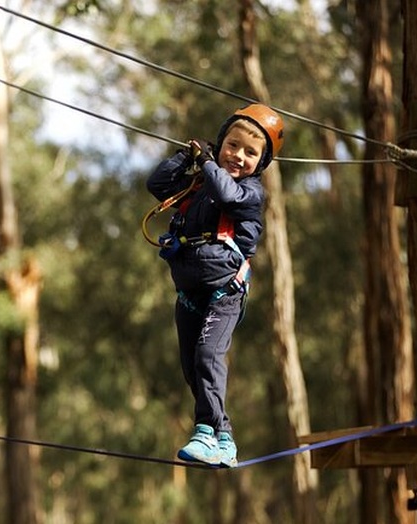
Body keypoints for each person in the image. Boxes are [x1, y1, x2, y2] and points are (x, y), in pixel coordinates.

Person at [146, 104, 284, 467]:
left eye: (250, 152)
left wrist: (209, 163)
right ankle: (224, 438)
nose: (238, 156)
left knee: (208, 357)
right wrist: (185, 156)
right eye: (232, 146)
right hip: (190, 295)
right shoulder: (200, 182)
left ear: (261, 162)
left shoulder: (250, 193)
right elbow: (157, 184)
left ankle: (206, 431)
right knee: (192, 368)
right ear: (221, 143)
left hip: (224, 294)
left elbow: (227, 195)